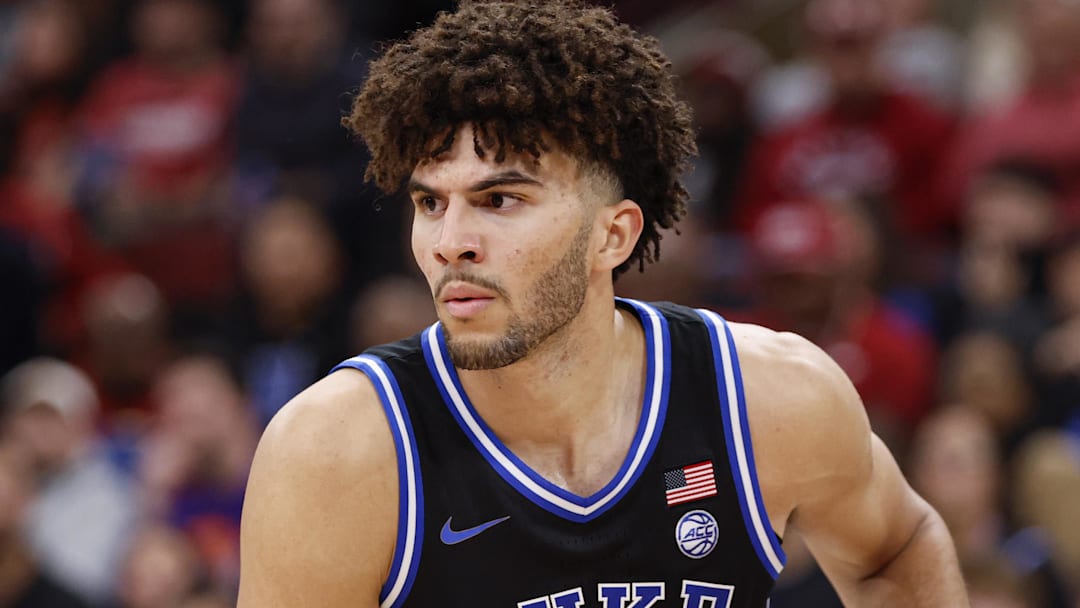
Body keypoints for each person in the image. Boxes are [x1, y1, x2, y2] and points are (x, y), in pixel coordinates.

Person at [238, 1, 968, 606]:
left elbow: (895, 549)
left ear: (612, 235)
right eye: (431, 203)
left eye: (499, 200)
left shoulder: (765, 398)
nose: (450, 243)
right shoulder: (338, 452)